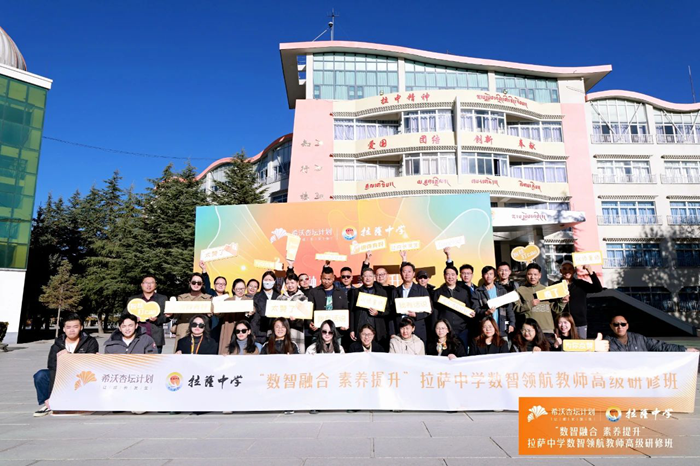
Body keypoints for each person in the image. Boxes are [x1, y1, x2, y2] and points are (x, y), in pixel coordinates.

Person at [33, 313, 99, 417]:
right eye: (68, 327)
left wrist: (69, 357)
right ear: (64, 329)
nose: (72, 330)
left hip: (82, 376)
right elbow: (53, 369)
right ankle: (47, 403)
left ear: (81, 327)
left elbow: (90, 364)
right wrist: (53, 397)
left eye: (75, 327)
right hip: (62, 376)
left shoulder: (90, 342)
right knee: (41, 375)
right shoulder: (57, 345)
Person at [513, 263, 564, 338]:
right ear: (526, 275)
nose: (532, 277)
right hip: (529, 331)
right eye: (530, 274)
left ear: (540, 275)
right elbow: (515, 309)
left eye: (535, 274)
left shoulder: (546, 290)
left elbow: (556, 309)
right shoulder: (520, 290)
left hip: (547, 330)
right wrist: (530, 304)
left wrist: (563, 301)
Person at [432, 265, 475, 351]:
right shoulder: (438, 293)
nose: (450, 277)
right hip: (445, 331)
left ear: (456, 276)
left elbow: (469, 308)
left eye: (453, 274)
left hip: (462, 330)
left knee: (462, 353)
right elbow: (435, 313)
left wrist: (472, 314)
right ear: (444, 276)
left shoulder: (464, 292)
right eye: (448, 274)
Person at [166, 273, 212, 351]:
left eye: (199, 283)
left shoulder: (208, 298)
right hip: (183, 329)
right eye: (194, 282)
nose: (196, 285)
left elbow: (211, 315)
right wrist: (170, 314)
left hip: (200, 330)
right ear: (189, 283)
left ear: (202, 284)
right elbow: (175, 315)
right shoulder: (181, 298)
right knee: (180, 354)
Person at [557, 260, 603, 339]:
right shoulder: (555, 286)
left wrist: (590, 272)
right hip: (562, 324)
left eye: (570, 269)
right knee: (563, 345)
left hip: (579, 323)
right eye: (564, 269)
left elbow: (598, 288)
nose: (567, 271)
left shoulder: (581, 284)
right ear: (561, 271)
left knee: (580, 345)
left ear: (574, 271)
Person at [605, 314, 699, 352]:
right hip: (620, 381)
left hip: (640, 379)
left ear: (627, 325)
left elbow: (661, 346)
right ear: (611, 326)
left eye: (623, 324)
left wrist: (685, 350)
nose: (620, 327)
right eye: (616, 324)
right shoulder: (606, 343)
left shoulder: (639, 339)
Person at [348, 267, 391, 349]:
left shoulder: (381, 292)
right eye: (365, 276)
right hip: (360, 325)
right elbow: (352, 312)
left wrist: (378, 313)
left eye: (370, 276)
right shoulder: (355, 292)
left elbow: (388, 311)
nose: (368, 278)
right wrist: (352, 329)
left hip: (376, 326)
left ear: (374, 277)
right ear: (362, 278)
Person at [392, 256, 431, 344]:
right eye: (404, 271)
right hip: (400, 328)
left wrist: (416, 315)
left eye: (409, 272)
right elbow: (391, 313)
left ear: (413, 274)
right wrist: (392, 332)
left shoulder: (422, 290)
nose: (407, 274)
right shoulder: (395, 291)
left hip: (417, 327)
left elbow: (429, 310)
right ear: (401, 274)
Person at [124, 275, 167, 354]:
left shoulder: (162, 299)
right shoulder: (133, 300)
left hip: (155, 339)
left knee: (155, 361)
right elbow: (124, 316)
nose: (149, 285)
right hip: (136, 338)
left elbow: (167, 318)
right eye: (146, 283)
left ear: (155, 285)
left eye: (151, 283)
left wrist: (157, 319)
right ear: (142, 284)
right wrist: (133, 318)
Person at [473, 266, 516, 337]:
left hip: (502, 326)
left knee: (503, 343)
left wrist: (512, 323)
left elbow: (509, 308)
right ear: (482, 276)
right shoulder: (478, 292)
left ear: (495, 276)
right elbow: (476, 308)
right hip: (486, 328)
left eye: (491, 274)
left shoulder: (502, 290)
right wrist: (485, 312)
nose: (488, 276)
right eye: (486, 274)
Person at [308, 266, 349, 340]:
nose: (326, 281)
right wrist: (309, 323)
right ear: (321, 277)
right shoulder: (313, 292)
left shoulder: (341, 293)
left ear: (333, 278)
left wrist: (345, 323)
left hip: (336, 333)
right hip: (318, 332)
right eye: (324, 279)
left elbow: (345, 309)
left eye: (329, 279)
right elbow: (309, 310)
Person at [217, 279, 253, 355]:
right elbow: (221, 315)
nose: (240, 291)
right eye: (238, 289)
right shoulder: (227, 301)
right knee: (226, 350)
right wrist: (217, 312)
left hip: (242, 330)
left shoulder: (248, 300)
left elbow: (252, 311)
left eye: (242, 289)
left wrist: (250, 312)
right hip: (229, 327)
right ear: (233, 289)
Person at [277, 273, 309, 353]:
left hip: (296, 330)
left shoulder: (303, 298)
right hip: (282, 331)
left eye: (292, 283)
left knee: (297, 354)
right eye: (287, 283)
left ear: (297, 283)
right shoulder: (280, 298)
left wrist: (296, 318)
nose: (290, 285)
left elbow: (304, 314)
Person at [252, 271, 280, 344]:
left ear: (274, 281)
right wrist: (253, 332)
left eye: (270, 280)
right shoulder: (257, 296)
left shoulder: (279, 296)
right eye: (266, 280)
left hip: (275, 332)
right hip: (260, 333)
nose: (268, 282)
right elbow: (255, 317)